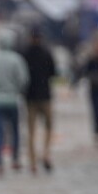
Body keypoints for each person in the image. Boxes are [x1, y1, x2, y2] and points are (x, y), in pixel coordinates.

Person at [0, 28, 29, 174]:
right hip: (13, 100)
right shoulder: (17, 59)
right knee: (15, 131)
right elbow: (24, 79)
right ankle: (15, 159)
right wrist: (16, 91)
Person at [21, 27, 57, 172]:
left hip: (30, 97)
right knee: (48, 127)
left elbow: (22, 76)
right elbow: (53, 73)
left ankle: (33, 161)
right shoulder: (46, 52)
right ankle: (46, 154)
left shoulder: (24, 53)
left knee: (31, 130)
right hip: (45, 95)